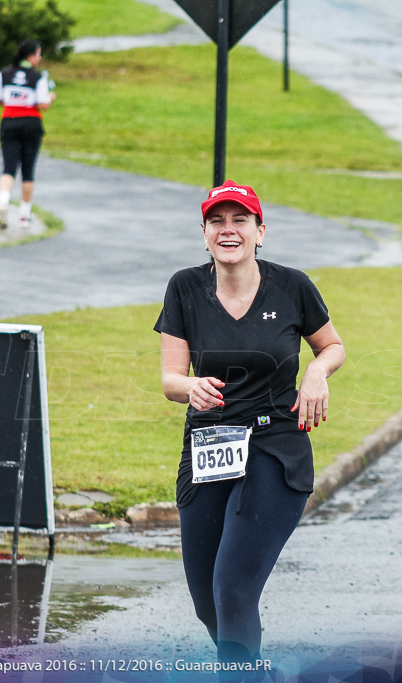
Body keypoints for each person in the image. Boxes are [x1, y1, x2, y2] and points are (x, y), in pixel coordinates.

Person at [154, 180, 345, 667]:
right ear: (204, 234)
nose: (229, 229)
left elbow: (332, 346)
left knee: (233, 589)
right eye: (218, 221)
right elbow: (171, 378)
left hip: (274, 444)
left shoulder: (292, 285)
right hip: (209, 441)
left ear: (261, 232)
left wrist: (317, 374)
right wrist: (189, 387)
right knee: (207, 601)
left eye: (241, 220)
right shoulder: (185, 287)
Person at [0, 40, 55, 231]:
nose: (40, 58)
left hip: (8, 122)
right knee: (28, 168)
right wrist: (51, 97)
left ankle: (3, 204)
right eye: (38, 54)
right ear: (31, 56)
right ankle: (24, 216)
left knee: (8, 167)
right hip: (31, 123)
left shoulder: (4, 74)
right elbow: (43, 103)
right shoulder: (38, 77)